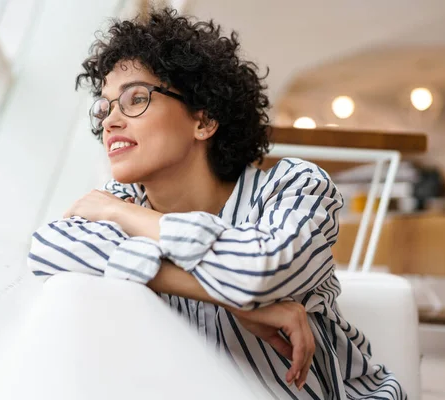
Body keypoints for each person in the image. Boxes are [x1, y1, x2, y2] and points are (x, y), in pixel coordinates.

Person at [28, 8, 405, 400]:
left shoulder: (295, 187)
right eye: (105, 108)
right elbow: (49, 247)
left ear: (204, 121)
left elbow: (257, 272)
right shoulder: (123, 201)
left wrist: (122, 215)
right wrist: (234, 301)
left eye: (135, 98)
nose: (110, 121)